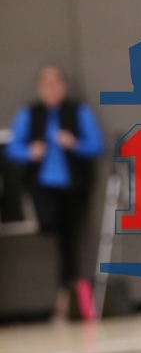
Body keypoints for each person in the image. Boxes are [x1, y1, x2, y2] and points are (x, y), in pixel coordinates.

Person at [7, 65, 104, 321]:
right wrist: (30, 152)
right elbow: (13, 148)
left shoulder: (78, 111)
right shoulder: (29, 113)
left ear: (64, 85)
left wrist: (74, 144)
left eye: (55, 83)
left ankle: (64, 303)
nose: (51, 88)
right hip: (42, 186)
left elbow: (96, 144)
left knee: (68, 244)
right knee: (50, 224)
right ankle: (69, 298)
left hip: (72, 188)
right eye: (46, 83)